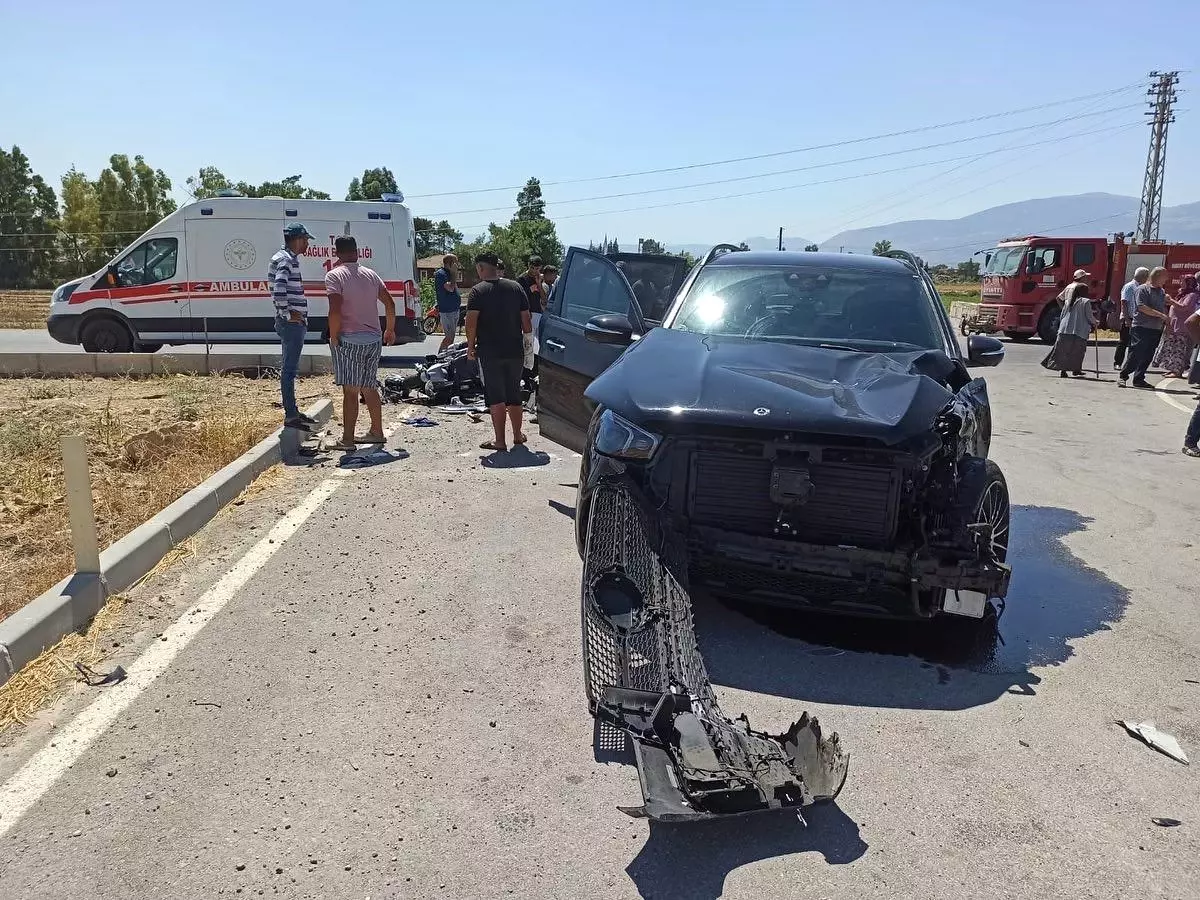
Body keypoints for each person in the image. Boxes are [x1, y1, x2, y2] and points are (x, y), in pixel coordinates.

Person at [324, 236, 396, 450]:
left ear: (337, 253)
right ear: (357, 252)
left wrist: (334, 335)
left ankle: (347, 440)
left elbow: (335, 309)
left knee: (351, 391)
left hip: (350, 339)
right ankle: (376, 431)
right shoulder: (371, 275)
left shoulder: (334, 276)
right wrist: (390, 329)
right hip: (374, 338)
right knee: (369, 386)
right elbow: (389, 303)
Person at [465, 251, 531, 452]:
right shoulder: (516, 287)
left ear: (480, 268)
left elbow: (471, 322)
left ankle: (500, 441)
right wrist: (528, 347)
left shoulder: (478, 291)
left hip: (490, 350)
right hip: (515, 350)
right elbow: (526, 320)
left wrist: (470, 346)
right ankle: (518, 436)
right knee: (514, 393)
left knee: (496, 395)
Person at [269, 222, 317, 431]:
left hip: (291, 322)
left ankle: (293, 411)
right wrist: (288, 313)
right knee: (289, 370)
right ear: (297, 239)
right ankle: (291, 415)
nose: (307, 244)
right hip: (291, 324)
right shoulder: (286, 260)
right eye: (305, 240)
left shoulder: (286, 258)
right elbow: (279, 288)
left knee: (289, 369)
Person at [1119, 266, 1171, 388]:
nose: (1166, 280)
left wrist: (1166, 322)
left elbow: (1162, 307)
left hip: (1156, 328)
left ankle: (1139, 378)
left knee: (1148, 354)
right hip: (1141, 327)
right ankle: (1123, 375)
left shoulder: (1161, 291)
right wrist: (1161, 315)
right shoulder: (1142, 289)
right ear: (1157, 276)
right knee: (1136, 352)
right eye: (1165, 277)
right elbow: (1141, 307)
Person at [1040, 279, 1095, 378]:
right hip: (1079, 331)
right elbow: (1089, 317)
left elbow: (1061, 310)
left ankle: (1063, 370)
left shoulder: (1068, 302)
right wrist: (1095, 322)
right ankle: (1076, 369)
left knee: (1063, 351)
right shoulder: (1086, 302)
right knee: (1077, 352)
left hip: (1064, 329)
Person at [1153, 275, 1200, 378]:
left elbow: (1185, 307)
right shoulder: (1183, 294)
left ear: (1189, 283)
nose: (1181, 283)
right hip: (1175, 325)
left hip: (1182, 327)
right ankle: (1172, 369)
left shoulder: (1192, 295)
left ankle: (1177, 371)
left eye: (1183, 282)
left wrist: (1170, 300)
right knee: (1174, 349)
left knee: (1180, 350)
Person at [1114, 267, 1150, 369]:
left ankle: (1129, 364)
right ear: (1142, 276)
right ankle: (1117, 362)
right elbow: (1124, 303)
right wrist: (1126, 319)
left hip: (1138, 319)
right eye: (1147, 276)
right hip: (1128, 317)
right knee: (1123, 341)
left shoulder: (1144, 287)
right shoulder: (1129, 286)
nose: (1147, 278)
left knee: (1134, 343)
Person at [434, 254, 461, 352]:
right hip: (447, 310)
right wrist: (454, 274)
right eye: (455, 262)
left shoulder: (449, 274)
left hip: (454, 309)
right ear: (450, 263)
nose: (457, 265)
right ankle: (439, 356)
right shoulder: (441, 274)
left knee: (451, 337)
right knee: (449, 337)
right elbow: (450, 288)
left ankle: (446, 356)